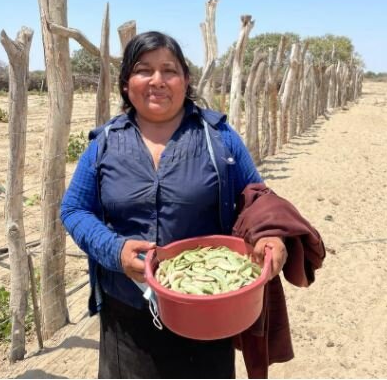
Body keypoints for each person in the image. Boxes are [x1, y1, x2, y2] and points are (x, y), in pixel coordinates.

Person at [60, 31, 288, 379]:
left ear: (186, 80)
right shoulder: (104, 144)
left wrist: (270, 236)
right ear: (125, 84)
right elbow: (74, 209)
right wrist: (114, 250)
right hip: (128, 310)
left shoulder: (219, 139)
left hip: (209, 309)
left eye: (169, 70)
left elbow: (257, 199)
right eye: (143, 70)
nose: (157, 80)